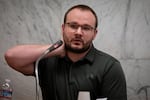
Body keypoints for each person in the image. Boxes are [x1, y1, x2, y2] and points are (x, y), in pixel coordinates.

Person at [4, 4, 127, 100]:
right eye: (73, 26)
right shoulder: (47, 60)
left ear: (94, 34)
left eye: (86, 28)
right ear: (63, 28)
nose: (78, 32)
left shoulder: (109, 66)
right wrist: (55, 49)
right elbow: (11, 56)